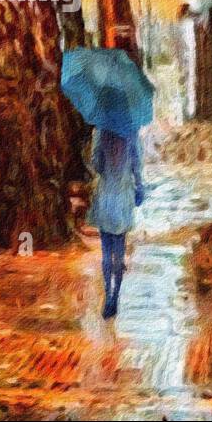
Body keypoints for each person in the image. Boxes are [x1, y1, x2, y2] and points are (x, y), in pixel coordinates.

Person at [89, 127, 145, 319]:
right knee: (119, 249)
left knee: (106, 251)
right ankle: (115, 296)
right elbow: (137, 165)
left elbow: (96, 164)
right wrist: (140, 188)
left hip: (105, 195)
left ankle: (107, 294)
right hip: (123, 196)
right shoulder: (130, 133)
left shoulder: (99, 132)